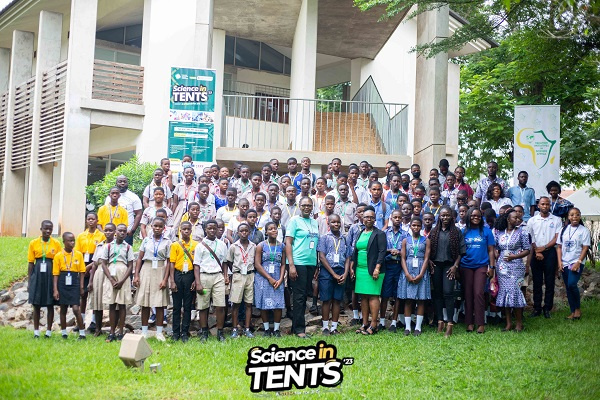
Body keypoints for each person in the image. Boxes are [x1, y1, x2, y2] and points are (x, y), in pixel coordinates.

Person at [285, 196, 319, 338]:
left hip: (310, 263)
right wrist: (291, 265)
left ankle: (296, 327)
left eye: (309, 205)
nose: (306, 207)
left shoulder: (314, 222)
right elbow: (288, 243)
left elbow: (315, 244)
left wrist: (317, 263)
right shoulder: (294, 221)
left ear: (312, 207)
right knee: (299, 296)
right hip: (298, 263)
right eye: (304, 205)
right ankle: (300, 330)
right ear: (299, 206)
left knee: (304, 295)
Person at [351, 206, 387, 335]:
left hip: (373, 270)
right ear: (362, 218)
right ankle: (364, 323)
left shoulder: (380, 234)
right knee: (363, 297)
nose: (369, 219)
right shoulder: (360, 232)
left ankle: (373, 324)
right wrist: (352, 267)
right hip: (360, 270)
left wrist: (377, 268)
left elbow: (382, 252)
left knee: (373, 296)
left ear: (375, 218)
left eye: (371, 217)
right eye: (366, 217)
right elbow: (356, 251)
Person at [133, 218, 171, 342]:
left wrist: (165, 279)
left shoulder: (167, 242)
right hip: (147, 268)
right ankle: (144, 331)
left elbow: (169, 261)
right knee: (145, 302)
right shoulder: (146, 240)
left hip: (160, 268)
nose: (157, 228)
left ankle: (159, 332)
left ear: (164, 228)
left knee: (159, 303)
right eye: (155, 226)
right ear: (151, 226)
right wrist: (136, 275)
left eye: (160, 226)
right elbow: (139, 258)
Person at [429, 206, 465, 337]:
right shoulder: (434, 231)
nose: (445, 218)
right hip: (436, 266)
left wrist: (455, 266)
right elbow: (427, 249)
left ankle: (450, 323)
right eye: (442, 215)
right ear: (439, 216)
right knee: (437, 294)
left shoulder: (456, 232)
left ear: (452, 216)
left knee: (448, 293)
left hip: (450, 266)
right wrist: (429, 262)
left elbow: (461, 252)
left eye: (447, 215)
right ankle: (440, 321)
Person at [494, 208, 530, 332]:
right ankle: (508, 323)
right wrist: (496, 254)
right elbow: (496, 247)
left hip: (516, 265)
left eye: (519, 218)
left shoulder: (522, 232)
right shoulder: (499, 233)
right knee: (505, 293)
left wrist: (515, 256)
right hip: (502, 266)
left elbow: (527, 249)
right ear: (508, 219)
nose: (517, 219)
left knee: (515, 292)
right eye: (515, 217)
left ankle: (519, 323)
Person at [193, 220, 229, 342]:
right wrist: (198, 282)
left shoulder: (222, 244)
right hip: (204, 276)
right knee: (203, 306)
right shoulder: (200, 246)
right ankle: (204, 332)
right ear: (205, 229)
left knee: (220, 306)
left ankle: (220, 332)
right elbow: (196, 265)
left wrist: (225, 275)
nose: (213, 230)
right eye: (210, 228)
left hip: (218, 276)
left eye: (215, 228)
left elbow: (225, 262)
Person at [527, 196, 562, 318]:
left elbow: (557, 238)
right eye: (543, 204)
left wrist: (545, 248)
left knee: (549, 281)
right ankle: (536, 308)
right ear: (538, 206)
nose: (545, 206)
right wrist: (537, 251)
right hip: (535, 252)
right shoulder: (532, 220)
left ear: (550, 206)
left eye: (547, 204)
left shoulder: (556, 220)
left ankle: (547, 308)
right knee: (537, 281)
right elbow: (530, 238)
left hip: (550, 252)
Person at [28, 220, 62, 339]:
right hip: (38, 273)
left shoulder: (56, 243)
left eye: (50, 229)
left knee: (50, 303)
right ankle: (36, 331)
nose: (48, 231)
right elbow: (31, 263)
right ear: (41, 229)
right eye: (45, 228)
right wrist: (30, 280)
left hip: (50, 272)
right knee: (36, 303)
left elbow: (58, 261)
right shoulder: (33, 243)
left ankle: (48, 331)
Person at [100, 224, 134, 342]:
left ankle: (121, 332)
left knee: (122, 304)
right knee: (112, 304)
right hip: (111, 274)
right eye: (120, 230)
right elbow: (104, 263)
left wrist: (122, 280)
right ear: (115, 232)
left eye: (124, 231)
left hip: (123, 275)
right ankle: (112, 332)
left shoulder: (128, 247)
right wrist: (111, 279)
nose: (122, 233)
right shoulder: (108, 246)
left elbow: (130, 265)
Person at [317, 215, 351, 335]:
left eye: (338, 222)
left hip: (341, 271)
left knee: (337, 300)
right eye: (333, 222)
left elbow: (348, 257)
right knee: (326, 300)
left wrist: (345, 273)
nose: (336, 224)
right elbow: (321, 256)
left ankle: (334, 327)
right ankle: (325, 327)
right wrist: (333, 274)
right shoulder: (324, 238)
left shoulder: (344, 239)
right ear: (329, 224)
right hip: (327, 272)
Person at [398, 218, 431, 336]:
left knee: (421, 300)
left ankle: (418, 327)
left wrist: (421, 274)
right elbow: (403, 257)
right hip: (408, 269)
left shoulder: (426, 241)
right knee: (408, 299)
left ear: (421, 227)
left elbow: (427, 258)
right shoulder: (405, 240)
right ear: (410, 226)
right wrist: (406, 273)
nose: (416, 227)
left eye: (418, 225)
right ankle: (407, 327)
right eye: (414, 225)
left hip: (421, 269)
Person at [74, 212, 106, 332]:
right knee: (83, 295)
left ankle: (93, 322)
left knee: (94, 294)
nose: (91, 221)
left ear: (97, 220)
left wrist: (90, 268)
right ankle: (80, 322)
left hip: (95, 265)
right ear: (86, 221)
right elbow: (77, 254)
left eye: (93, 219)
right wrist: (82, 268)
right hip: (83, 264)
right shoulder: (81, 236)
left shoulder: (101, 236)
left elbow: (100, 255)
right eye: (89, 219)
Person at [557, 208, 590, 320]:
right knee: (568, 287)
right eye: (572, 215)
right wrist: (559, 262)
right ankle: (572, 311)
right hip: (565, 262)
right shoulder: (564, 230)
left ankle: (578, 309)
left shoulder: (583, 231)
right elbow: (559, 247)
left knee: (572, 284)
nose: (574, 217)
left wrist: (579, 262)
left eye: (577, 215)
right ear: (568, 217)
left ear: (580, 216)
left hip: (576, 261)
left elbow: (585, 248)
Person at [254, 221, 286, 337]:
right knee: (264, 303)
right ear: (266, 232)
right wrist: (269, 278)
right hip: (263, 277)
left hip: (278, 277)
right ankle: (267, 330)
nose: (274, 231)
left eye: (275, 228)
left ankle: (276, 330)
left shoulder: (282, 246)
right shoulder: (261, 246)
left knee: (278, 303)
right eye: (271, 229)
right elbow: (257, 264)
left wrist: (281, 278)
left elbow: (283, 264)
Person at [53, 232, 86, 340]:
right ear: (64, 242)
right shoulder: (58, 255)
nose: (72, 243)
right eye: (70, 241)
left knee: (76, 308)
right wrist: (55, 289)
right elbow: (56, 274)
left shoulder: (78, 254)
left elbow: (82, 271)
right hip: (62, 281)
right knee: (63, 308)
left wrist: (81, 286)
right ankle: (64, 333)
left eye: (73, 240)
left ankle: (82, 333)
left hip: (74, 281)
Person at [227, 223, 256, 338]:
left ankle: (247, 329)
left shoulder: (253, 246)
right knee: (236, 303)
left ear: (249, 232)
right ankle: (234, 328)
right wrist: (236, 272)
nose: (244, 233)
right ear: (237, 233)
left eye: (246, 231)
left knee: (249, 303)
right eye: (241, 231)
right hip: (238, 275)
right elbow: (229, 261)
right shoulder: (234, 246)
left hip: (250, 275)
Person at [380, 210, 407, 332]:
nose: (397, 219)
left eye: (399, 217)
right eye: (395, 217)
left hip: (399, 266)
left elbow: (408, 252)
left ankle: (394, 323)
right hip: (387, 265)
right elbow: (381, 250)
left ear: (402, 219)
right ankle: (381, 321)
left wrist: (400, 252)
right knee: (385, 295)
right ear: (391, 218)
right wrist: (390, 250)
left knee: (397, 296)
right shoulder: (385, 233)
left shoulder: (406, 234)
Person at [87, 223, 115, 337]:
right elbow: (94, 264)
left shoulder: (117, 245)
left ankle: (113, 330)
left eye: (110, 230)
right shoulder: (99, 246)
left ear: (115, 232)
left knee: (112, 302)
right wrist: (90, 281)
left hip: (112, 272)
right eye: (106, 230)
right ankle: (98, 328)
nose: (108, 232)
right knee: (97, 302)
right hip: (99, 273)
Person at [104, 175, 143, 245]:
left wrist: (132, 231)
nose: (122, 183)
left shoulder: (133, 197)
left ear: (127, 183)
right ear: (116, 183)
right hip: (110, 234)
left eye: (124, 182)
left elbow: (139, 214)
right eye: (120, 181)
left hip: (126, 233)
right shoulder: (109, 198)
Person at [172, 166, 198, 231]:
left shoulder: (196, 187)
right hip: (180, 207)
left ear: (194, 174)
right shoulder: (179, 186)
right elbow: (175, 202)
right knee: (176, 225)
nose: (189, 174)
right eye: (187, 172)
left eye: (191, 172)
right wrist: (173, 212)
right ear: (183, 174)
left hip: (191, 207)